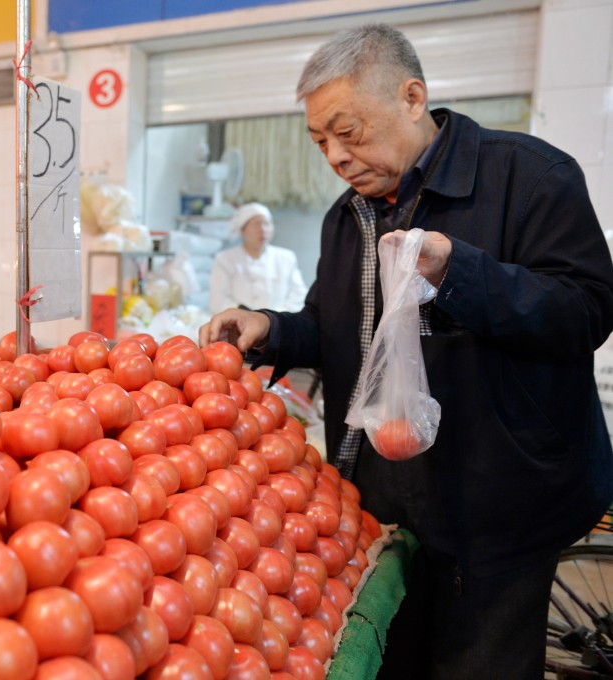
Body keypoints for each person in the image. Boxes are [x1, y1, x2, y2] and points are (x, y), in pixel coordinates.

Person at [199, 23, 613, 679]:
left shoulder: (529, 177)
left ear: (412, 97)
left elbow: (586, 309)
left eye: (349, 131)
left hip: (500, 508)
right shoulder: (349, 216)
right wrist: (269, 329)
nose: (335, 156)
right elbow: (335, 326)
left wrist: (461, 274)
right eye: (320, 142)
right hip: (387, 512)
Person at [207, 202, 308, 314]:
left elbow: (299, 295)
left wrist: (273, 318)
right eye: (256, 225)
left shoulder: (286, 257)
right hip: (239, 326)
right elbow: (218, 301)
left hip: (279, 325)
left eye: (267, 224)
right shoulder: (225, 259)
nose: (263, 230)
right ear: (242, 230)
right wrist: (247, 317)